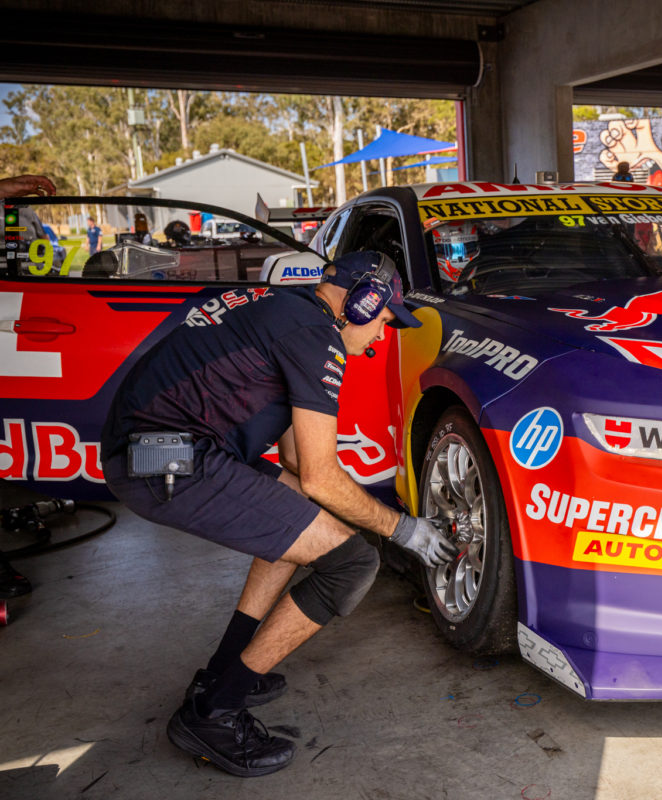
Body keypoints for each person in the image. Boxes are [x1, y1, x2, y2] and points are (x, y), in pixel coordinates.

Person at [100, 250, 458, 778]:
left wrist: (349, 512)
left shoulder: (290, 310)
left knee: (303, 511)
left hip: (152, 450)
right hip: (164, 458)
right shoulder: (316, 338)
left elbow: (296, 463)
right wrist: (403, 528)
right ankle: (213, 712)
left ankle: (222, 670)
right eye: (385, 319)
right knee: (353, 565)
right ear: (364, 301)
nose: (383, 335)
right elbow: (318, 472)